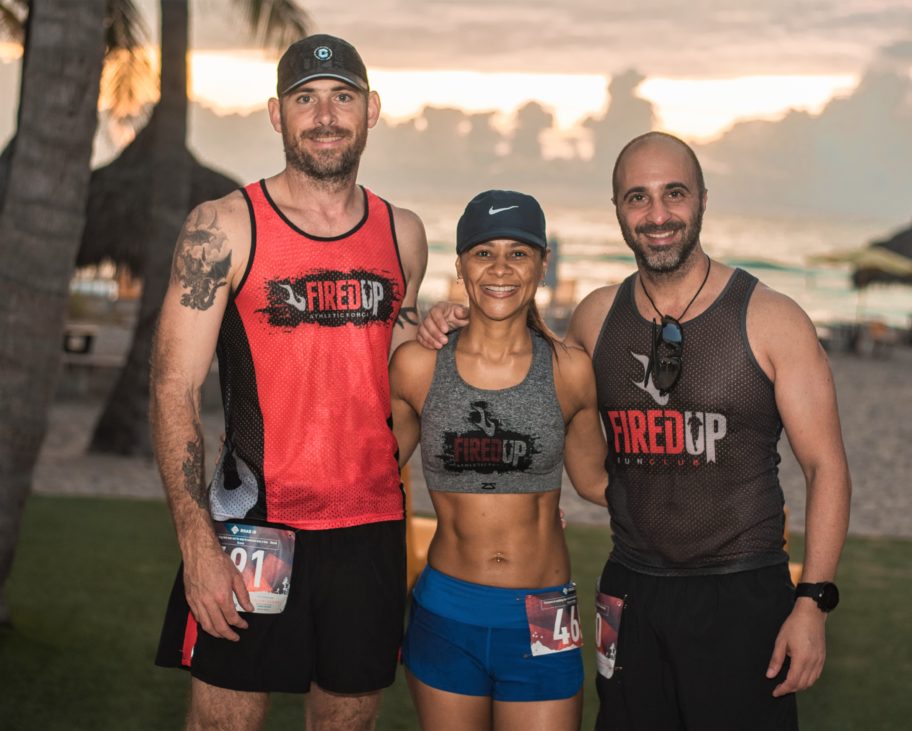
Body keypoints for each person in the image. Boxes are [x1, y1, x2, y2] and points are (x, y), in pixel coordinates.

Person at [419, 132, 852, 730]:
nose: (657, 215)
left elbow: (827, 468)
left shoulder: (772, 319)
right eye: (637, 198)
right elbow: (526, 377)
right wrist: (457, 317)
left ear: (702, 199)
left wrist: (813, 602)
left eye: (674, 194)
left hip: (740, 590)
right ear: (618, 210)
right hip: (629, 589)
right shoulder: (597, 318)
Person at [151, 35, 427, 730]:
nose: (325, 115)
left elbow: (402, 380)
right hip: (254, 527)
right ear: (277, 114)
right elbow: (172, 387)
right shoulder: (223, 228)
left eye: (343, 97)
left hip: (369, 532)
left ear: (371, 110)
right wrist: (195, 541)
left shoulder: (403, 234)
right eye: (306, 99)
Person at [390, 190, 607, 731]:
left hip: (545, 611)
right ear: (461, 265)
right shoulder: (418, 365)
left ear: (542, 264)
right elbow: (370, 469)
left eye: (519, 252)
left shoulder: (570, 370)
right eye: (484, 253)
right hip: (447, 609)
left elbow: (597, 482)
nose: (501, 268)